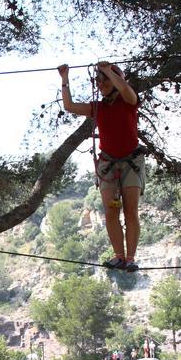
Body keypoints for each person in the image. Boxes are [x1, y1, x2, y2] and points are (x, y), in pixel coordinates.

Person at [58, 61, 144, 272]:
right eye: (99, 81)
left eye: (105, 80)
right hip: (108, 164)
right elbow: (69, 106)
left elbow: (124, 88)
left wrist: (107, 71)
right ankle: (119, 256)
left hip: (131, 162)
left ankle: (130, 258)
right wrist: (65, 79)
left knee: (131, 212)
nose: (101, 84)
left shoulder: (129, 101)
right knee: (111, 212)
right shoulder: (98, 107)